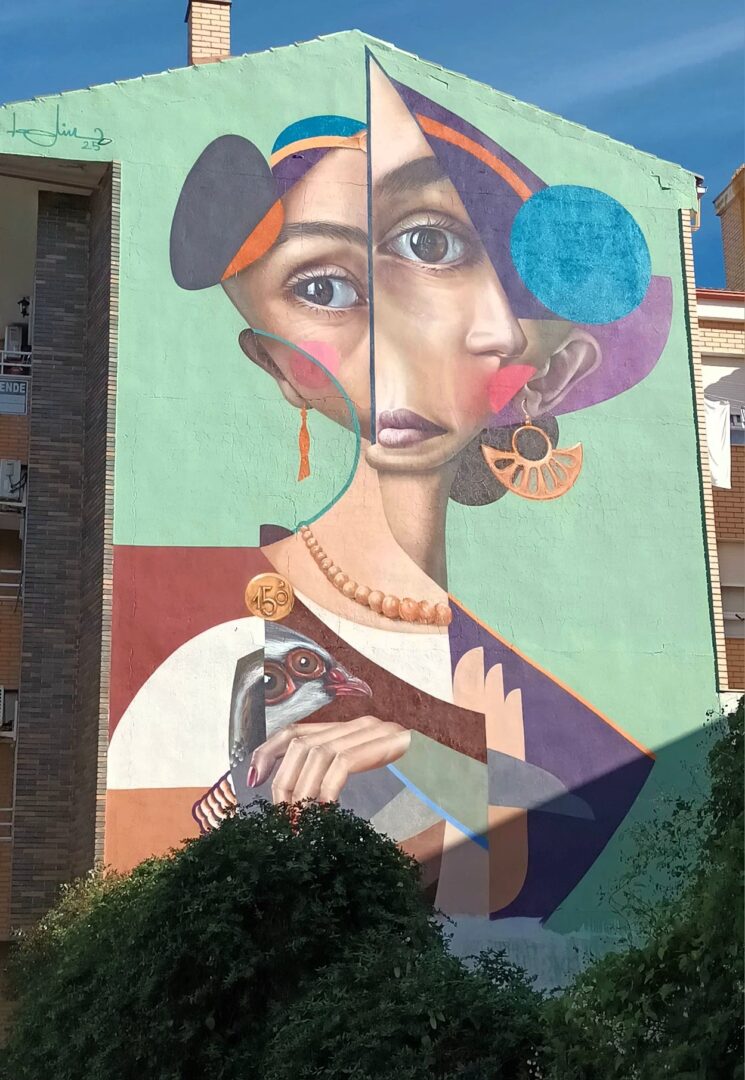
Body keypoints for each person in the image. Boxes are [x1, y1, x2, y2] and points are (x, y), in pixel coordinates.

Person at [108, 58, 672, 925]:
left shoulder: (550, 702)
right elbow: (168, 917)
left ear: (549, 371)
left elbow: (529, 927)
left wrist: (444, 768)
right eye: (322, 289)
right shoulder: (201, 627)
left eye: (431, 246)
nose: (390, 336)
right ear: (281, 368)